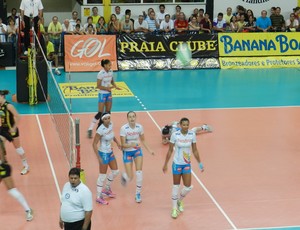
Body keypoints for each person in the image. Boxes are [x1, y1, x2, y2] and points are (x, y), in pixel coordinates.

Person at [162, 117, 204, 219]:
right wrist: (165, 164)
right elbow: (170, 151)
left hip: (186, 164)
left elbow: (195, 150)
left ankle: (179, 201)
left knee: (188, 186)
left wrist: (199, 163)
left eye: (187, 125)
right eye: (184, 125)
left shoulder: (192, 134)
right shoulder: (175, 135)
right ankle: (174, 209)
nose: (185, 126)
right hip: (177, 164)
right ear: (180, 125)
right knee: (176, 186)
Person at [0, 110, 33, 222]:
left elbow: (3, 156)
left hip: (2, 167)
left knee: (11, 190)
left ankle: (28, 210)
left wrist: (13, 129)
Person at [120, 111, 154, 203]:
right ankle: (125, 177)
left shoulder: (140, 127)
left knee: (139, 172)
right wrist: (132, 144)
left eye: (133, 116)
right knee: (130, 177)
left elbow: (143, 140)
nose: (132, 118)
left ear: (135, 117)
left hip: (137, 151)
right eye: (130, 117)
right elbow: (123, 145)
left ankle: (137, 194)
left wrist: (149, 150)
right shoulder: (123, 128)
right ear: (127, 118)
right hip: (127, 152)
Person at [92, 113, 121, 205]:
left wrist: (117, 143)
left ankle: (107, 189)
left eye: (109, 118)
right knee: (102, 176)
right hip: (103, 153)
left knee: (115, 171)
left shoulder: (111, 124)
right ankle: (98, 196)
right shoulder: (100, 130)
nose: (108, 120)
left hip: (110, 152)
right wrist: (98, 157)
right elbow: (94, 144)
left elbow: (112, 135)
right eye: (106, 119)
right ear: (102, 120)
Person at [87, 59, 121, 138]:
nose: (110, 66)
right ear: (105, 65)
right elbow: (98, 86)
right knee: (100, 113)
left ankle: (100, 126)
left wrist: (115, 86)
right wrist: (107, 89)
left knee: (108, 112)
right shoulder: (100, 74)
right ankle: (90, 128)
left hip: (109, 94)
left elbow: (112, 81)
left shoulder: (111, 71)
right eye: (109, 65)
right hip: (102, 94)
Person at [0, 90, 30, 175]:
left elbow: (18, 116)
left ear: (2, 96)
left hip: (12, 130)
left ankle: (26, 166)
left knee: (18, 149)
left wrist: (13, 128)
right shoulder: (0, 106)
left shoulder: (9, 106)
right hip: (3, 129)